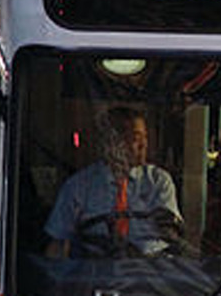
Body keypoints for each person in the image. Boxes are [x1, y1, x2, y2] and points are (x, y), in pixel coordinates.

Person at [45, 107, 182, 257]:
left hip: (148, 271)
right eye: (136, 139)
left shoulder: (158, 181)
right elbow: (58, 243)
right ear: (114, 143)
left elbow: (170, 235)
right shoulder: (79, 186)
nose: (144, 146)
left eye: (145, 138)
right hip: (94, 273)